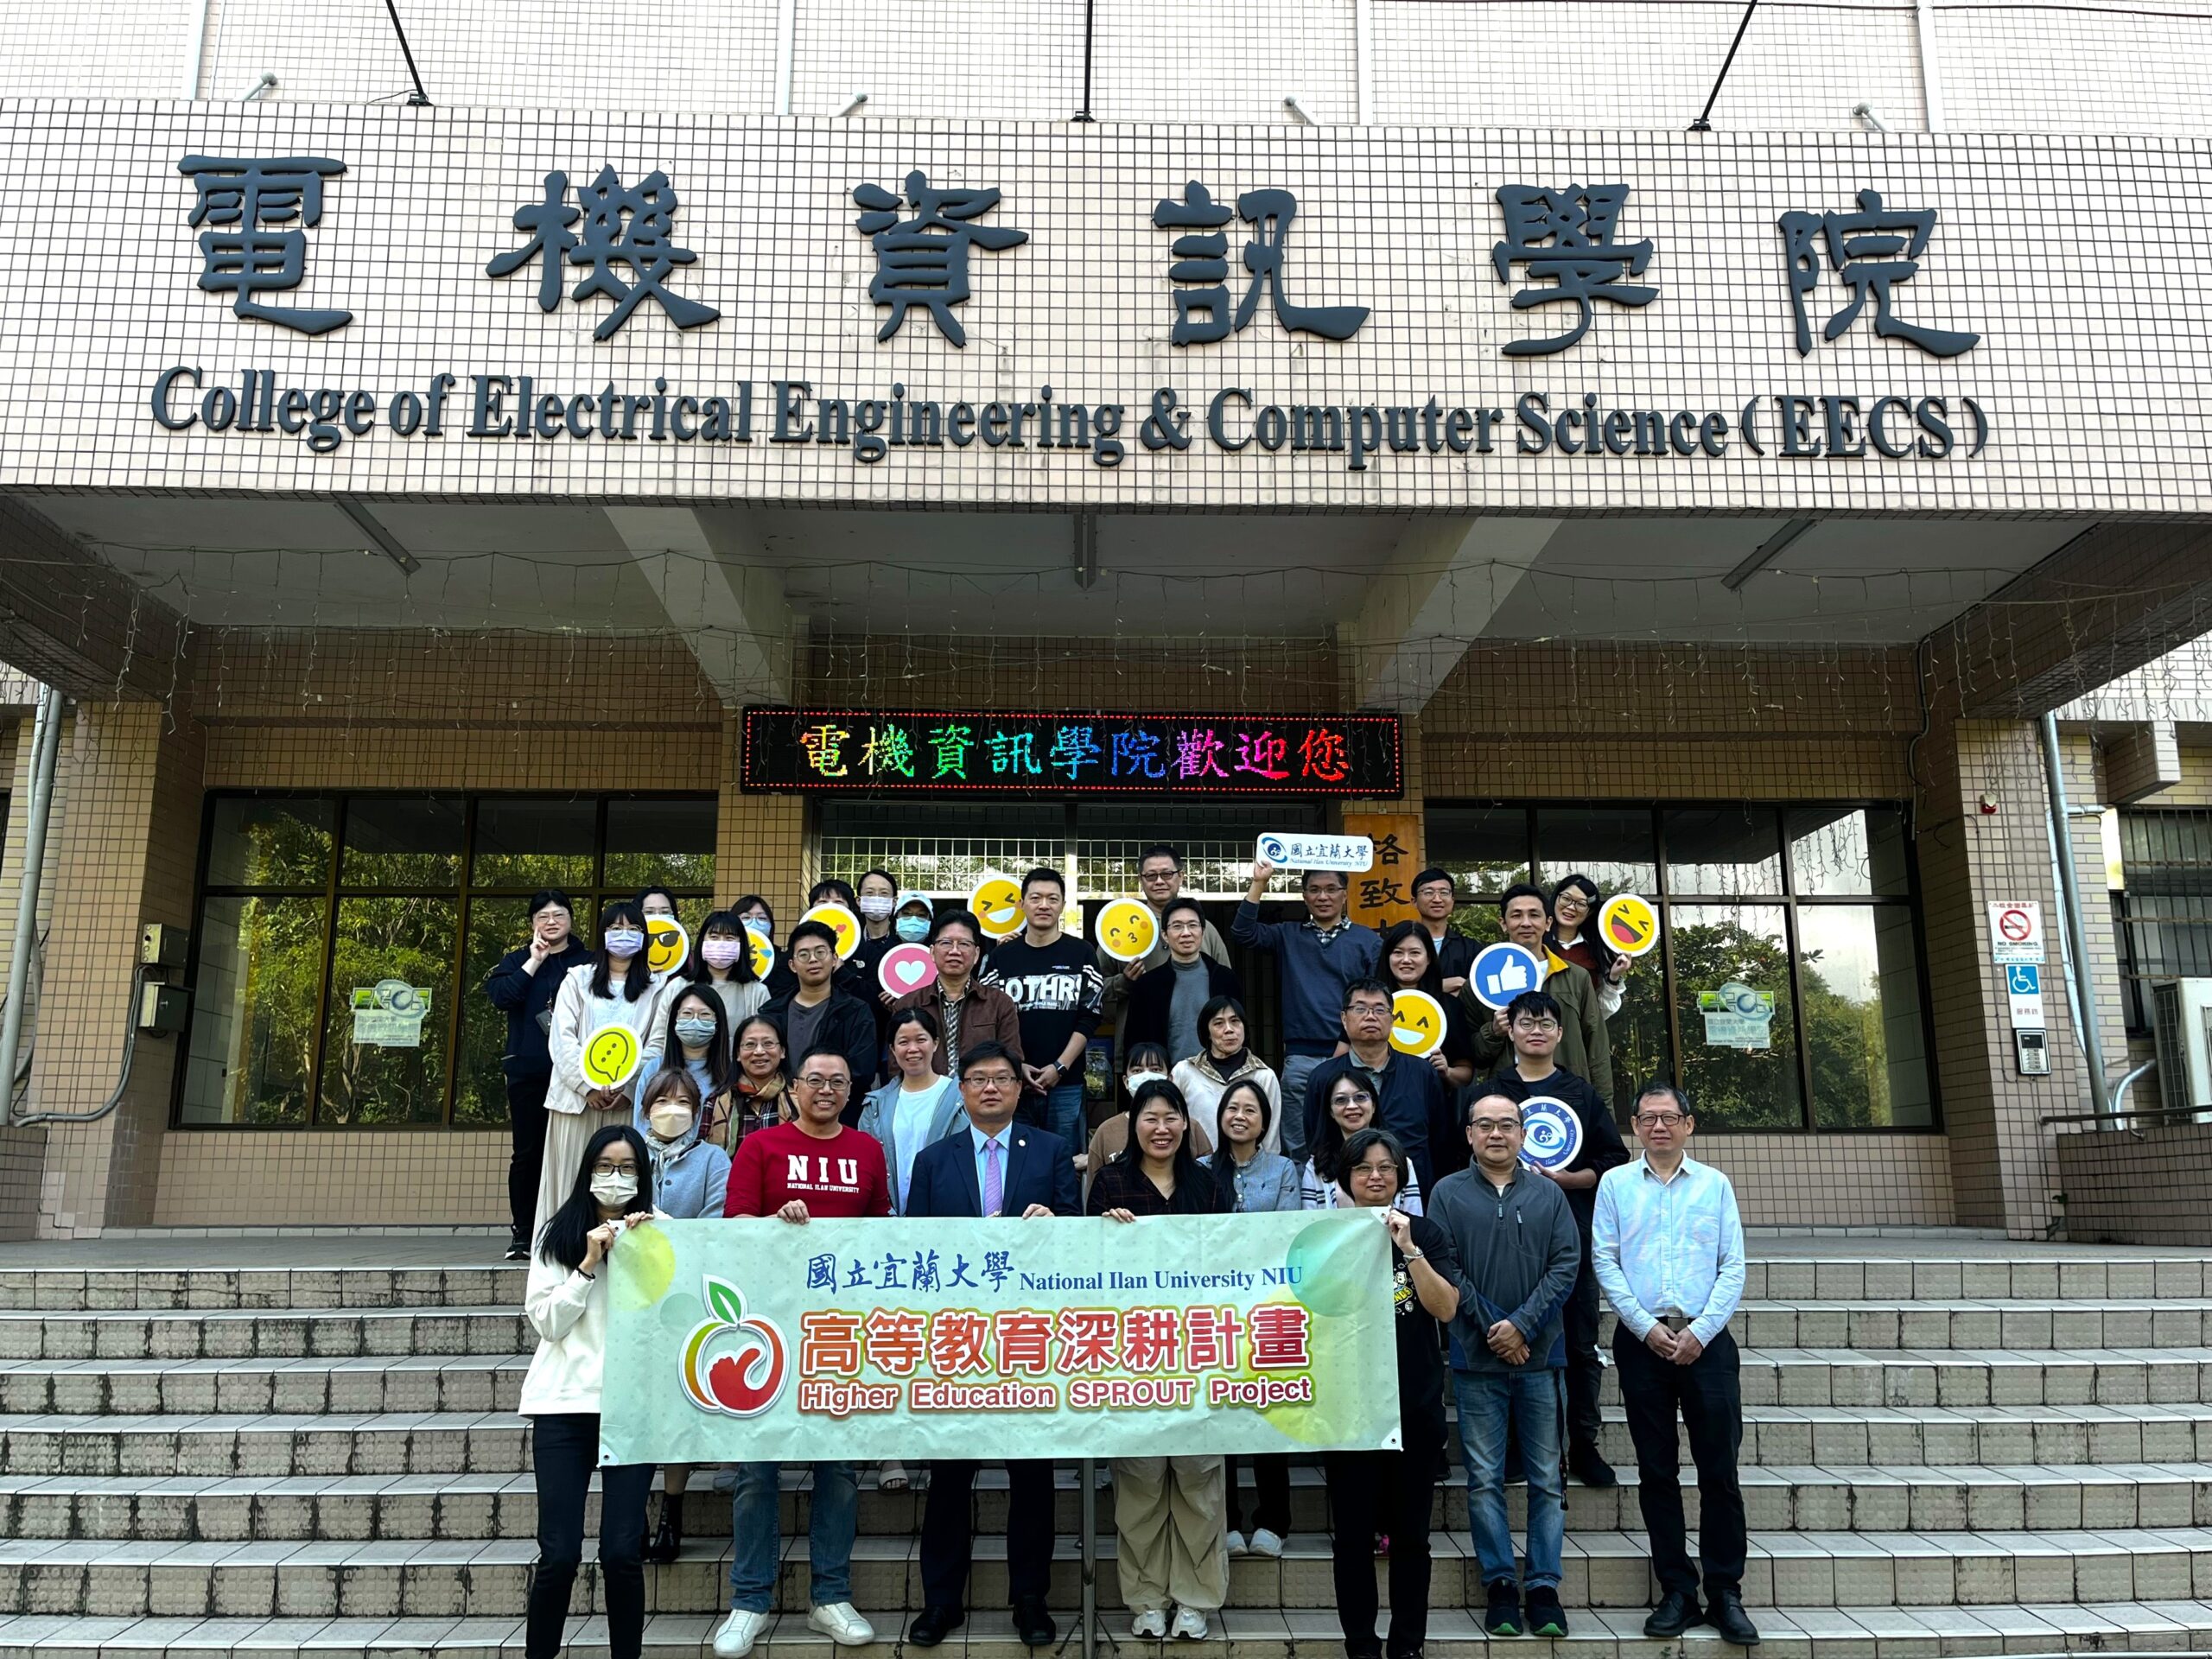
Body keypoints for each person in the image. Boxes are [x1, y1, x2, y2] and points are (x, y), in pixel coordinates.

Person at [904, 1042, 1078, 1649]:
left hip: (1030, 1339)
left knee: (1032, 1477)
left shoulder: (1050, 1150)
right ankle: (940, 1602)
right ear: (961, 1090)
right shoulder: (934, 1160)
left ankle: (1030, 1598)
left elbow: (1076, 1233)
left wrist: (1056, 1226)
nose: (990, 1088)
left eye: (1002, 1078)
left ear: (1018, 1087)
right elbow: (915, 1250)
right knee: (950, 1477)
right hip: (957, 1341)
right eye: (977, 1079)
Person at [1592, 1084, 1756, 1648]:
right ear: (1635, 1126)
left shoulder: (1715, 1185)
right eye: (1648, 1118)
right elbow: (1605, 1261)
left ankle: (1725, 1591)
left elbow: (1733, 1265)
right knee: (1656, 1471)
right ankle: (1677, 1591)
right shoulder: (1615, 1185)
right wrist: (1645, 1327)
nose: (1658, 1126)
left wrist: (1701, 1332)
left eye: (1669, 1117)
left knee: (1719, 1472)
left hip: (1707, 1344)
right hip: (1643, 1343)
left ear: (1689, 1124)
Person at [1430, 1092, 1581, 1640]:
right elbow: (1445, 1267)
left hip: (1541, 1358)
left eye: (1507, 1124)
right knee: (1484, 1481)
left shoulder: (1549, 1194)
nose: (1497, 1134)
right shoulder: (1447, 1193)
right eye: (1486, 1125)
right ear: (1469, 1134)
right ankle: (1498, 1584)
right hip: (1476, 1360)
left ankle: (1543, 1587)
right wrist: (1498, 1329)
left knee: (1546, 1479)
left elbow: (1566, 1264)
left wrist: (1523, 1326)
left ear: (1523, 1133)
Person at [1090, 1079, 1230, 1641]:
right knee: (1141, 1484)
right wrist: (1108, 1233)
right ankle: (1146, 1599)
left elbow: (1232, 1262)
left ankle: (1195, 1600)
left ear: (1186, 1124)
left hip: (1198, 1353)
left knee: (1199, 1480)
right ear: (1133, 1124)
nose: (1162, 1128)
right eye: (1150, 1117)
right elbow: (1087, 1265)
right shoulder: (1111, 1183)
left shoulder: (1209, 1184)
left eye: (1172, 1117)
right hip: (1134, 1355)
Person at [1479, 988, 1634, 1486]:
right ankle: (1515, 1449)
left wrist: (1570, 1180)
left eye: (1546, 1023)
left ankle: (1583, 1445)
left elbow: (1613, 1158)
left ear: (1560, 1033)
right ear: (1510, 1030)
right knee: (1511, 1336)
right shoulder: (1494, 1092)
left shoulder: (1580, 1093)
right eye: (1526, 1023)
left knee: (1581, 1342)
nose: (1536, 1031)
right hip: (1504, 1238)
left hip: (1570, 1234)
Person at [520, 1123, 656, 1659]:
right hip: (564, 1405)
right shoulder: (557, 1233)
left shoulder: (661, 1231)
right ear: (587, 1171)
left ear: (643, 1175)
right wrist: (587, 1265)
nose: (615, 1177)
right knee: (559, 1554)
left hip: (631, 1408)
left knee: (622, 1553)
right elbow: (548, 1323)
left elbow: (675, 1315)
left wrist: (649, 1247)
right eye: (605, 1166)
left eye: (627, 1168)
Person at [1325, 1127, 1460, 1659]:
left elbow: (1445, 1308)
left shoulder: (1426, 1232)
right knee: (1352, 1539)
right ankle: (1360, 1645)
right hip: (1347, 1411)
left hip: (1415, 1409)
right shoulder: (1324, 1235)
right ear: (1346, 1178)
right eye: (1363, 1168)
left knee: (1411, 1539)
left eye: (1386, 1168)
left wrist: (1410, 1250)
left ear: (1401, 1176)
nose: (1375, 1177)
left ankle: (1407, 1645)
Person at [631, 1069, 729, 1566]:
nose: (673, 1109)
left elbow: (717, 1220)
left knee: (677, 1405)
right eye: (662, 1101)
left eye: (684, 1101)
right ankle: (632, 1512)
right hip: (629, 1297)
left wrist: (664, 1229)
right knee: (635, 1403)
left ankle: (673, 1509)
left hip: (686, 1296)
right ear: (645, 1108)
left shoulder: (713, 1158)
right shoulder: (627, 1154)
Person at [1204, 1078, 1300, 1563]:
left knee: (1269, 1414)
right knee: (1221, 1416)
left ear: (1264, 1122)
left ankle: (1273, 1520)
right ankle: (1226, 1521)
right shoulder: (1201, 1169)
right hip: (1215, 1311)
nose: (1239, 1116)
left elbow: (1286, 1232)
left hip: (1268, 1309)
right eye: (1232, 1108)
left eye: (1250, 1110)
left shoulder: (1283, 1169)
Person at [1233, 857, 1380, 1163]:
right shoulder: (1288, 935)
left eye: (1331, 889)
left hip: (1355, 1056)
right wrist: (1259, 882)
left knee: (1358, 1140)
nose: (1323, 896)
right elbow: (1243, 932)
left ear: (1345, 894)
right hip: (1300, 1058)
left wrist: (1347, 1041)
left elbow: (1375, 1001)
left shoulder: (1368, 941)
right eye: (1314, 890)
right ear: (1304, 896)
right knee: (1299, 1145)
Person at [540, 900, 666, 1240]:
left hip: (624, 1106)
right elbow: (562, 1039)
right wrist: (587, 1086)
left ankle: (619, 1255)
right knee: (570, 1183)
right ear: (602, 934)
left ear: (644, 938)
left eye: (634, 929)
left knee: (621, 1187)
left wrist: (629, 1088)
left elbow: (657, 1045)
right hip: (576, 1104)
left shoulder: (658, 986)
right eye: (615, 928)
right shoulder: (577, 979)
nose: (624, 935)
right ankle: (562, 1253)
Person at [483, 888, 591, 1259]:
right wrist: (534, 961)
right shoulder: (517, 959)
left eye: (559, 915)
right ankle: (524, 1233)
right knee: (528, 1154)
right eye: (543, 916)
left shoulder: (588, 962)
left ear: (571, 919)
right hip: (529, 1072)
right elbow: (502, 997)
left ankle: (573, 1228)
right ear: (532, 923)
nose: (551, 922)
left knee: (575, 1152)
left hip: (577, 1075)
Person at [981, 866, 1103, 1149]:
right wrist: (1015, 1065)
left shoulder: (1082, 953)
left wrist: (1060, 1067)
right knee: (1013, 1160)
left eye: (1052, 898)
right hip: (1011, 1083)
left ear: (1063, 905)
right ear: (1022, 904)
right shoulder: (1001, 957)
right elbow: (988, 1019)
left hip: (1067, 1083)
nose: (1044, 905)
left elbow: (1091, 1016)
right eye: (1036, 898)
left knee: (1066, 1162)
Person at [1301, 980, 1459, 1194]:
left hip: (1413, 1192)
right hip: (1343, 1194)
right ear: (1344, 1019)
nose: (1370, 1016)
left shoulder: (1422, 1072)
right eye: (1360, 1009)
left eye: (1379, 1009)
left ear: (1392, 1020)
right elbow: (1316, 1138)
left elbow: (1441, 1141)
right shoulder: (1323, 1076)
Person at [1464, 883, 1613, 1103]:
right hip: (1507, 1103)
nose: (1526, 923)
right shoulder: (1480, 983)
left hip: (1568, 1098)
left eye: (1534, 915)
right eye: (1516, 915)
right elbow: (1471, 1055)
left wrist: (1604, 1110)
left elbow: (1596, 1049)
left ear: (1548, 923)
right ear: (1503, 924)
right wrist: (1494, 1032)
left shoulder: (1576, 977)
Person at [722, 1047, 890, 1222]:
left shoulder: (869, 1149)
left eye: (838, 1082)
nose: (826, 1090)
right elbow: (735, 1218)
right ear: (796, 1087)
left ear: (849, 1091)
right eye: (815, 1080)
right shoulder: (758, 1145)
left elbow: (881, 1223)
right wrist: (775, 1222)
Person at [1096, 843, 1232, 1023]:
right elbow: (1092, 989)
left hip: (1197, 1035)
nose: (1159, 881)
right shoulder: (1120, 927)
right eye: (1151, 876)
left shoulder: (1205, 929)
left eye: (1167, 874)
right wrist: (1124, 982)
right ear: (1141, 880)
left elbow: (1227, 987)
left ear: (1181, 877)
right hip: (1141, 1036)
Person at [856, 1007, 968, 1215]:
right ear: (892, 1049)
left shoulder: (961, 1098)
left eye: (921, 1040)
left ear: (936, 1044)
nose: (913, 1049)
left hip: (945, 1216)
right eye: (903, 1042)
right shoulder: (875, 1105)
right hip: (889, 1218)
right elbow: (866, 1165)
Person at [762, 919, 880, 1108]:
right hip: (782, 1109)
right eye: (804, 954)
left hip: (836, 1111)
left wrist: (818, 1092)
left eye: (820, 952)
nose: (813, 959)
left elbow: (862, 1071)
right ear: (792, 965)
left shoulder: (856, 1011)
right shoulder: (772, 1012)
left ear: (834, 959)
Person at [893, 911, 1025, 1077]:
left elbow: (1012, 1060)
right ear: (932, 952)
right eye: (946, 943)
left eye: (964, 944)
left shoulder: (999, 1003)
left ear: (976, 954)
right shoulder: (908, 1004)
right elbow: (896, 1066)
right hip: (924, 1093)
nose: (954, 951)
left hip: (982, 1092)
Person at [1121, 896, 1244, 1065]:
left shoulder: (1225, 979)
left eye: (1193, 925)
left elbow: (1240, 1031)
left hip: (1219, 1073)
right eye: (1177, 926)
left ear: (1202, 931)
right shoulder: (1147, 985)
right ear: (1165, 935)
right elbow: (1135, 1040)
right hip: (1165, 1075)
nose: (1186, 933)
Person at [1083, 1040, 1211, 1180]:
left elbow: (1209, 1178)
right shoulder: (1106, 1131)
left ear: (1169, 1078)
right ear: (1126, 1081)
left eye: (1155, 1069)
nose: (1146, 1076)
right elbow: (1094, 1186)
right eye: (1137, 1071)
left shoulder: (1192, 1127)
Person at [1170, 996, 1282, 1156]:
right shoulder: (1184, 1072)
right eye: (1218, 1023)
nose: (1229, 1029)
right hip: (1196, 1167)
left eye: (1235, 1021)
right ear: (1207, 1033)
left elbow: (1271, 1139)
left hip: (1251, 1168)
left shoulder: (1264, 1076)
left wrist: (1269, 1167)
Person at [1375, 919, 1478, 1090]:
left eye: (1415, 953)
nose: (1406, 960)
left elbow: (1466, 1072)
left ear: (1429, 958)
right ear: (1387, 957)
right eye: (1398, 952)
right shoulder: (1370, 1003)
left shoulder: (1450, 1006)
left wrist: (1447, 1071)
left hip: (1430, 1099)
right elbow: (1343, 1057)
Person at [1301, 1071, 1423, 1212]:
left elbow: (1413, 1219)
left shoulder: (1401, 1161)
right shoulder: (1317, 1166)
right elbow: (1310, 1221)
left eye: (1360, 1097)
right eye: (1341, 1100)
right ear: (1331, 1111)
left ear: (1374, 1105)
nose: (1352, 1106)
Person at [653, 985, 735, 1142]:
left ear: (718, 1022)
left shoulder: (731, 1074)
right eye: (687, 1013)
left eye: (705, 1014)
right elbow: (642, 1128)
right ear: (675, 1019)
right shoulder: (654, 1069)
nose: (695, 1021)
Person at [1548, 873, 1632, 1018]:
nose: (1571, 907)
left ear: (1590, 912)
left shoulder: (1596, 952)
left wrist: (1614, 977)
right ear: (1556, 898)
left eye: (1581, 904)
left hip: (1579, 1030)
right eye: (1566, 899)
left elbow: (1600, 1013)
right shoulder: (1537, 946)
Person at [687, 907, 770, 1034]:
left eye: (730, 938)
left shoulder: (758, 992)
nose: (721, 943)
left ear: (742, 944)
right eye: (714, 937)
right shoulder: (678, 986)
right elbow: (660, 1037)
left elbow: (765, 1036)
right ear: (702, 941)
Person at [722, 1014, 790, 1151]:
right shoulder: (718, 1102)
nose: (759, 1051)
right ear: (738, 1054)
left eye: (768, 1043)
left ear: (782, 1051)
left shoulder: (800, 1099)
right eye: (750, 1044)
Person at [1410, 867, 1476, 995]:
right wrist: (1443, 986)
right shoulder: (1400, 946)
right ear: (1414, 901)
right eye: (1428, 892)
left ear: (1453, 900)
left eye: (1444, 893)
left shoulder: (1470, 948)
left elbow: (1479, 992)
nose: (1437, 899)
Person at [738, 894, 796, 999]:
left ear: (771, 925)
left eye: (762, 918)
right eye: (746, 917)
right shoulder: (726, 959)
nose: (754, 922)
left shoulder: (784, 962)